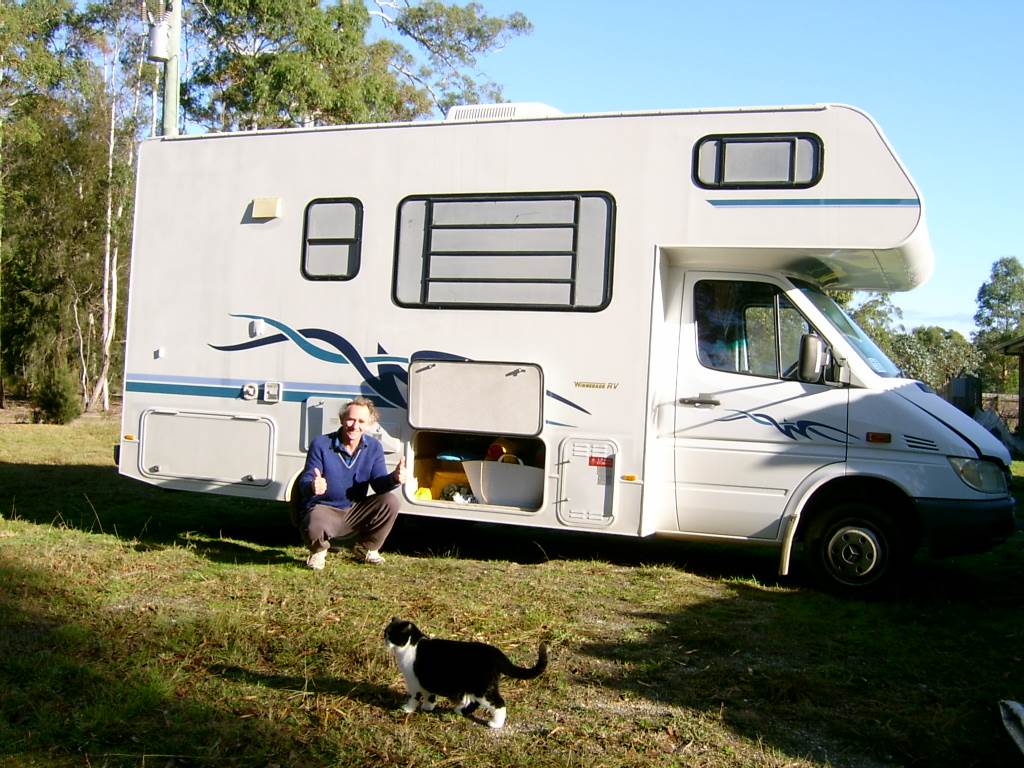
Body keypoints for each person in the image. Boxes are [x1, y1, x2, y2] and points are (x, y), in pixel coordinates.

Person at [298, 397, 406, 569]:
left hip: (355, 510)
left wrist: (394, 478)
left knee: (391, 501)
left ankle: (365, 549)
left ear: (369, 424)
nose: (355, 426)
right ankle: (318, 552)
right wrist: (312, 485)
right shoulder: (321, 444)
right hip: (325, 509)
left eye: (361, 421)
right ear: (342, 419)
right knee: (313, 517)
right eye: (350, 419)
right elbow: (306, 479)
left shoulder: (374, 447)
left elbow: (379, 485)